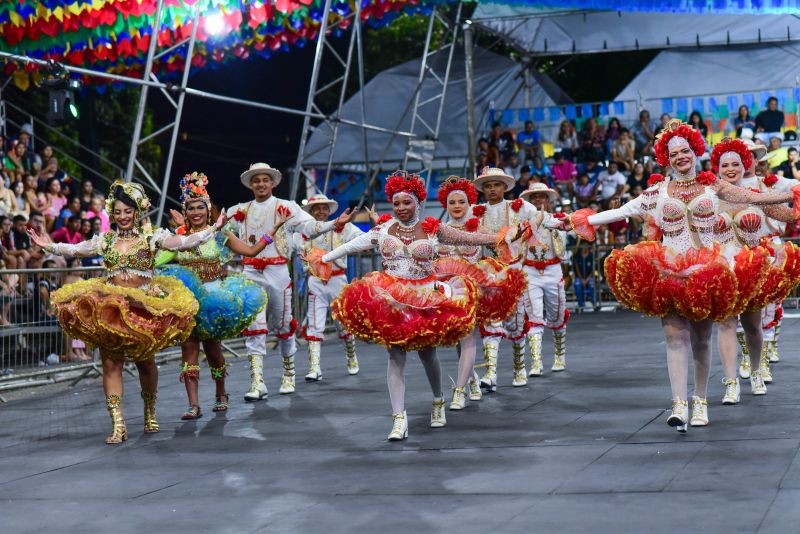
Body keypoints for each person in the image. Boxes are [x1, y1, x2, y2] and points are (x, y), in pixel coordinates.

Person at [549, 120, 800, 432]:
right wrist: (572, 221)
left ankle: (700, 400)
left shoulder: (714, 186)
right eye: (674, 152)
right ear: (664, 158)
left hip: (708, 271)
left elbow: (760, 199)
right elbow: (621, 211)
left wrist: (791, 195)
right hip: (669, 271)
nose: (681, 156)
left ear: (694, 151)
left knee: (701, 340)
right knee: (674, 337)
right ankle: (679, 403)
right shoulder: (656, 193)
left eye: (685, 150)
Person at [313, 171, 521, 440]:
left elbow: (470, 239)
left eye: (406, 203)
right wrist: (324, 258)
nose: (401, 208)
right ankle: (399, 419)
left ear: (417, 203)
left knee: (427, 356)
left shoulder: (434, 228)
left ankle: (438, 400)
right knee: (395, 356)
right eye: (397, 203)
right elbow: (353, 245)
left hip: (426, 298)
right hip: (392, 300)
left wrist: (500, 238)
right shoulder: (383, 230)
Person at [28, 180, 225, 444]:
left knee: (145, 363)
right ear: (112, 212)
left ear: (138, 212)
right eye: (118, 211)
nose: (122, 216)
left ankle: (149, 412)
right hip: (110, 311)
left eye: (128, 211)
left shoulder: (150, 237)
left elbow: (184, 243)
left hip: (142, 309)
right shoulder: (105, 240)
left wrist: (212, 229)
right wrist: (48, 245)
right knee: (110, 364)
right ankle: (118, 424)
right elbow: (76, 249)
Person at [227, 163, 356, 401]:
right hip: (250, 273)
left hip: (277, 271)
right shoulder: (240, 210)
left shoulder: (286, 207)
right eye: (257, 180)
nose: (261, 184)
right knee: (254, 326)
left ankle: (289, 373)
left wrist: (333, 224)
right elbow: (218, 227)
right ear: (251, 184)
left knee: (284, 325)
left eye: (266, 179)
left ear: (273, 183)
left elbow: (310, 227)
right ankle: (257, 382)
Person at [158, 172, 268, 419]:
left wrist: (273, 231)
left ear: (208, 210)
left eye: (200, 207)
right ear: (185, 212)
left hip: (214, 300)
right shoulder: (180, 238)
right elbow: (157, 259)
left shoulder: (220, 234)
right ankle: (193, 404)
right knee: (188, 348)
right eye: (191, 208)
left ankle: (220, 392)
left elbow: (250, 250)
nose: (196, 212)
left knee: (213, 351)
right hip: (186, 301)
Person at [710, 138, 799, 403]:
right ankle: (730, 382)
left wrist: (794, 198)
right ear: (717, 167)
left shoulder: (758, 194)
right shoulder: (710, 196)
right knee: (725, 324)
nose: (730, 169)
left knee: (752, 325)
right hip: (723, 266)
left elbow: (789, 216)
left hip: (752, 266)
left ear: (744, 165)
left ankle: (758, 370)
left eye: (735, 164)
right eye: (724, 165)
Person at [432, 176, 526, 409]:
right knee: (456, 339)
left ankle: (459, 391)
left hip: (472, 290)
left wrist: (512, 239)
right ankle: (472, 380)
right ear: (445, 204)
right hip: (446, 293)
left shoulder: (479, 228)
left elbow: (503, 249)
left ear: (469, 203)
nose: (456, 206)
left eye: (461, 202)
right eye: (451, 202)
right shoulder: (437, 231)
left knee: (467, 338)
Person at [470, 167, 539, 389]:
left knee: (516, 321)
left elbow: (540, 216)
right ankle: (490, 373)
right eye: (488, 186)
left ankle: (519, 368)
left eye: (496, 185)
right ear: (483, 189)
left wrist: (529, 233)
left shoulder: (519, 207)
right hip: (487, 274)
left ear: (504, 187)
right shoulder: (475, 211)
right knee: (490, 320)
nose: (492, 189)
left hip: (514, 272)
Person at [294, 193, 364, 381]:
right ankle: (314, 367)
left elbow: (362, 237)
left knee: (343, 322)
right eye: (317, 208)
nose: (321, 211)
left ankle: (351, 357)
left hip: (337, 280)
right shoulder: (304, 231)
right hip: (315, 281)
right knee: (315, 323)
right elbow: (293, 249)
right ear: (311, 211)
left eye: (325, 208)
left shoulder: (344, 227)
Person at [518, 183, 569, 376]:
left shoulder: (559, 220)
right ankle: (536, 362)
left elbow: (580, 226)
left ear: (548, 201)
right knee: (534, 315)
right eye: (534, 197)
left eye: (542, 197)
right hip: (530, 271)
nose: (538, 200)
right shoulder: (522, 224)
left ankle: (559, 355)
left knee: (556, 314)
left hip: (553, 270)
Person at [572, 242, 596, 309]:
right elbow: (577, 270)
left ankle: (594, 303)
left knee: (591, 283)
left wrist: (587, 279)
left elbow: (593, 270)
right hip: (579, 277)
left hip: (589, 277)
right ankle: (580, 304)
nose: (584, 246)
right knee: (578, 284)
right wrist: (582, 279)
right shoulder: (576, 256)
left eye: (586, 245)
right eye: (582, 244)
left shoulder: (591, 255)